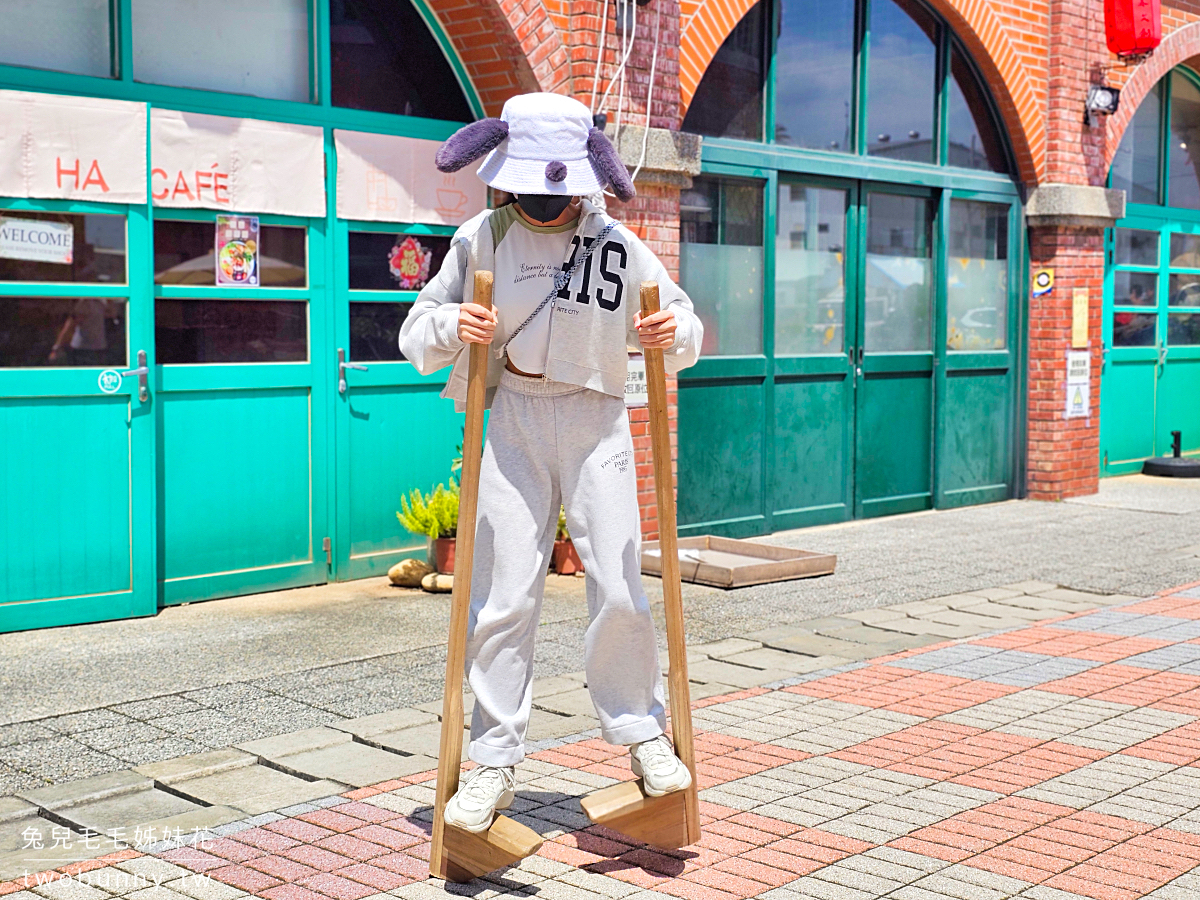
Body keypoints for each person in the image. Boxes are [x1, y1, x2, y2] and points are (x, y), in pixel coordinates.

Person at [399, 92, 704, 832]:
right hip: (515, 417)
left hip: (598, 417)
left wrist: (671, 330)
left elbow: (687, 325)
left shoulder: (618, 243)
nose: (545, 202)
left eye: (558, 190)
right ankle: (493, 759)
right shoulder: (482, 237)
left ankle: (641, 734)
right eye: (531, 188)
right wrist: (453, 321)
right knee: (502, 595)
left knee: (622, 586)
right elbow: (416, 335)